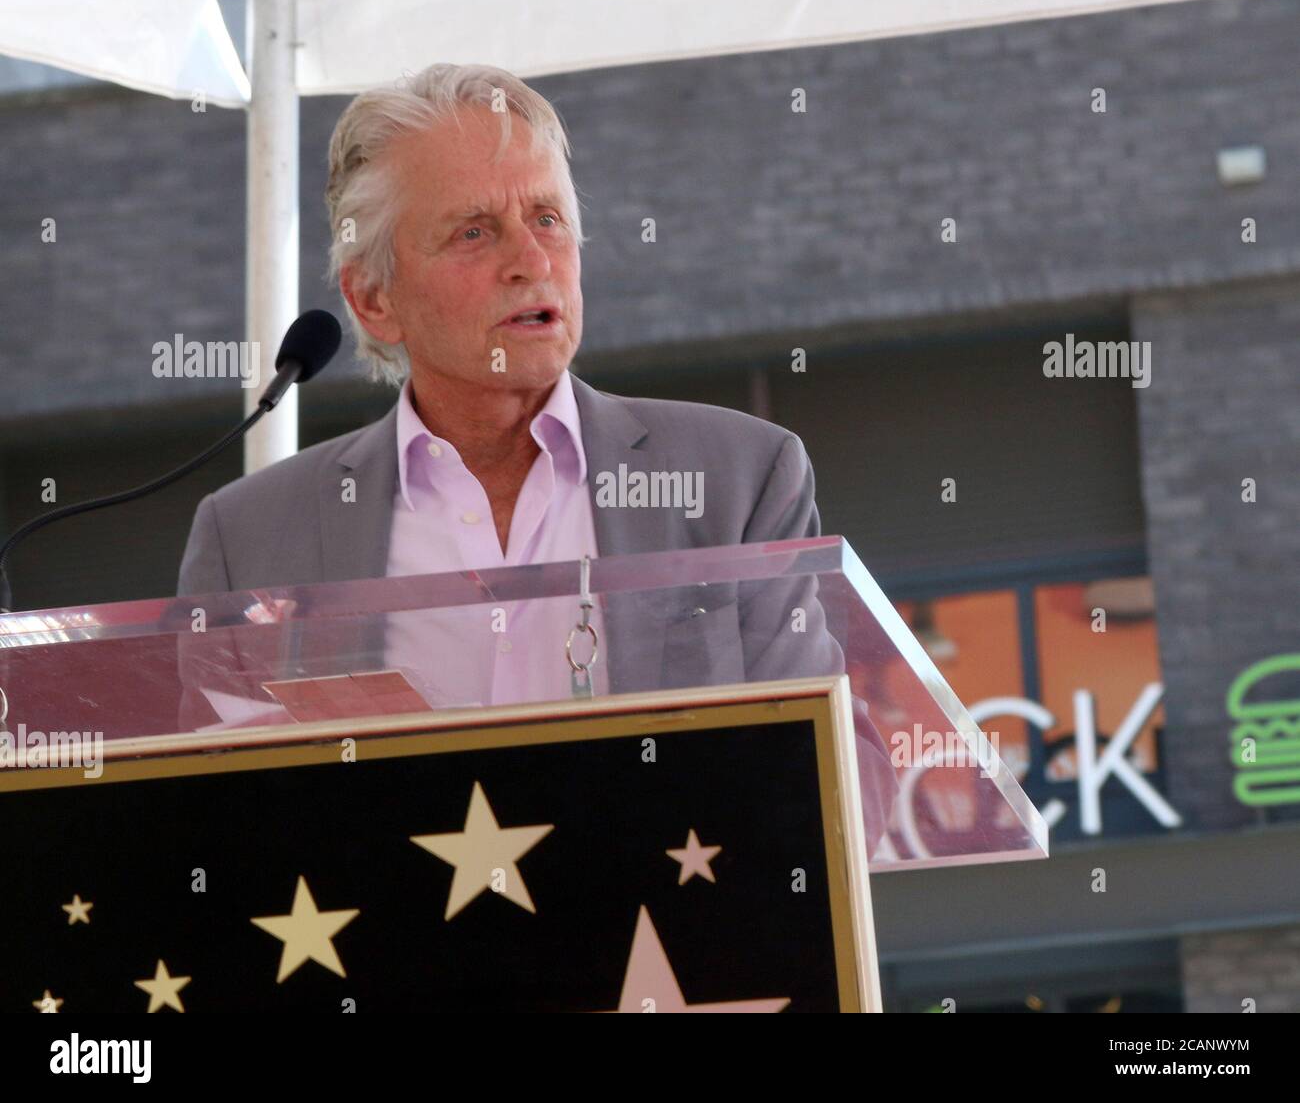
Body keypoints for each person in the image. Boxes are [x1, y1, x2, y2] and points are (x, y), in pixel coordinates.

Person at [176, 63, 896, 846]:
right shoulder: (246, 540)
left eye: (548, 218)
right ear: (374, 300)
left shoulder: (740, 478)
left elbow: (845, 785)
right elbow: (207, 832)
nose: (532, 259)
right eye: (475, 231)